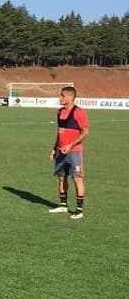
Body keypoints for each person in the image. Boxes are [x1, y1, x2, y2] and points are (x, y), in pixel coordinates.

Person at [48, 86, 89, 219]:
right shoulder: (59, 112)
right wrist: (54, 148)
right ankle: (63, 206)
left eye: (62, 96)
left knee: (77, 178)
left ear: (71, 98)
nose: (60, 98)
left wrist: (71, 145)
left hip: (74, 152)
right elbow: (59, 132)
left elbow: (86, 133)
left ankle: (79, 209)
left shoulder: (79, 112)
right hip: (60, 152)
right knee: (61, 178)